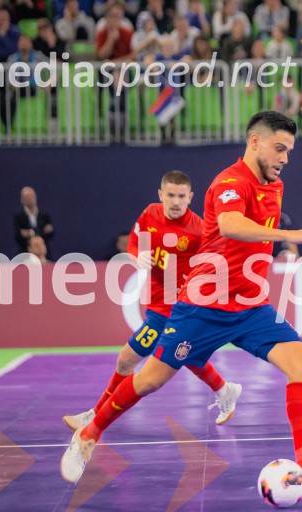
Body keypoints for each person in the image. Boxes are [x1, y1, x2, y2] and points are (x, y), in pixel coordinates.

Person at [61, 112, 302, 491]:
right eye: (279, 148)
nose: (285, 158)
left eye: (289, 151)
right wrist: (291, 234)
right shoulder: (229, 182)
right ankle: (87, 435)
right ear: (255, 141)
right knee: (150, 379)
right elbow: (232, 225)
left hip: (251, 305)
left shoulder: (275, 185)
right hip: (203, 306)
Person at [63, 171, 242, 431]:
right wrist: (137, 257)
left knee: (126, 360)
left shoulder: (199, 229)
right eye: (170, 195)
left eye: (181, 196)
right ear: (161, 195)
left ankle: (95, 414)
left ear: (190, 197)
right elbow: (134, 244)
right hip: (156, 303)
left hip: (177, 310)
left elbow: (217, 263)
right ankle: (225, 390)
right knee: (187, 354)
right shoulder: (149, 214)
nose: (175, 201)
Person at [13, 186, 54, 256]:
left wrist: (31, 233)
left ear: (35, 197)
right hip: (24, 254)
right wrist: (41, 231)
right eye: (26, 197)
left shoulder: (44, 215)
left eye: (31, 196)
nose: (29, 199)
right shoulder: (18, 215)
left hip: (44, 255)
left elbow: (50, 233)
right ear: (22, 199)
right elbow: (18, 236)